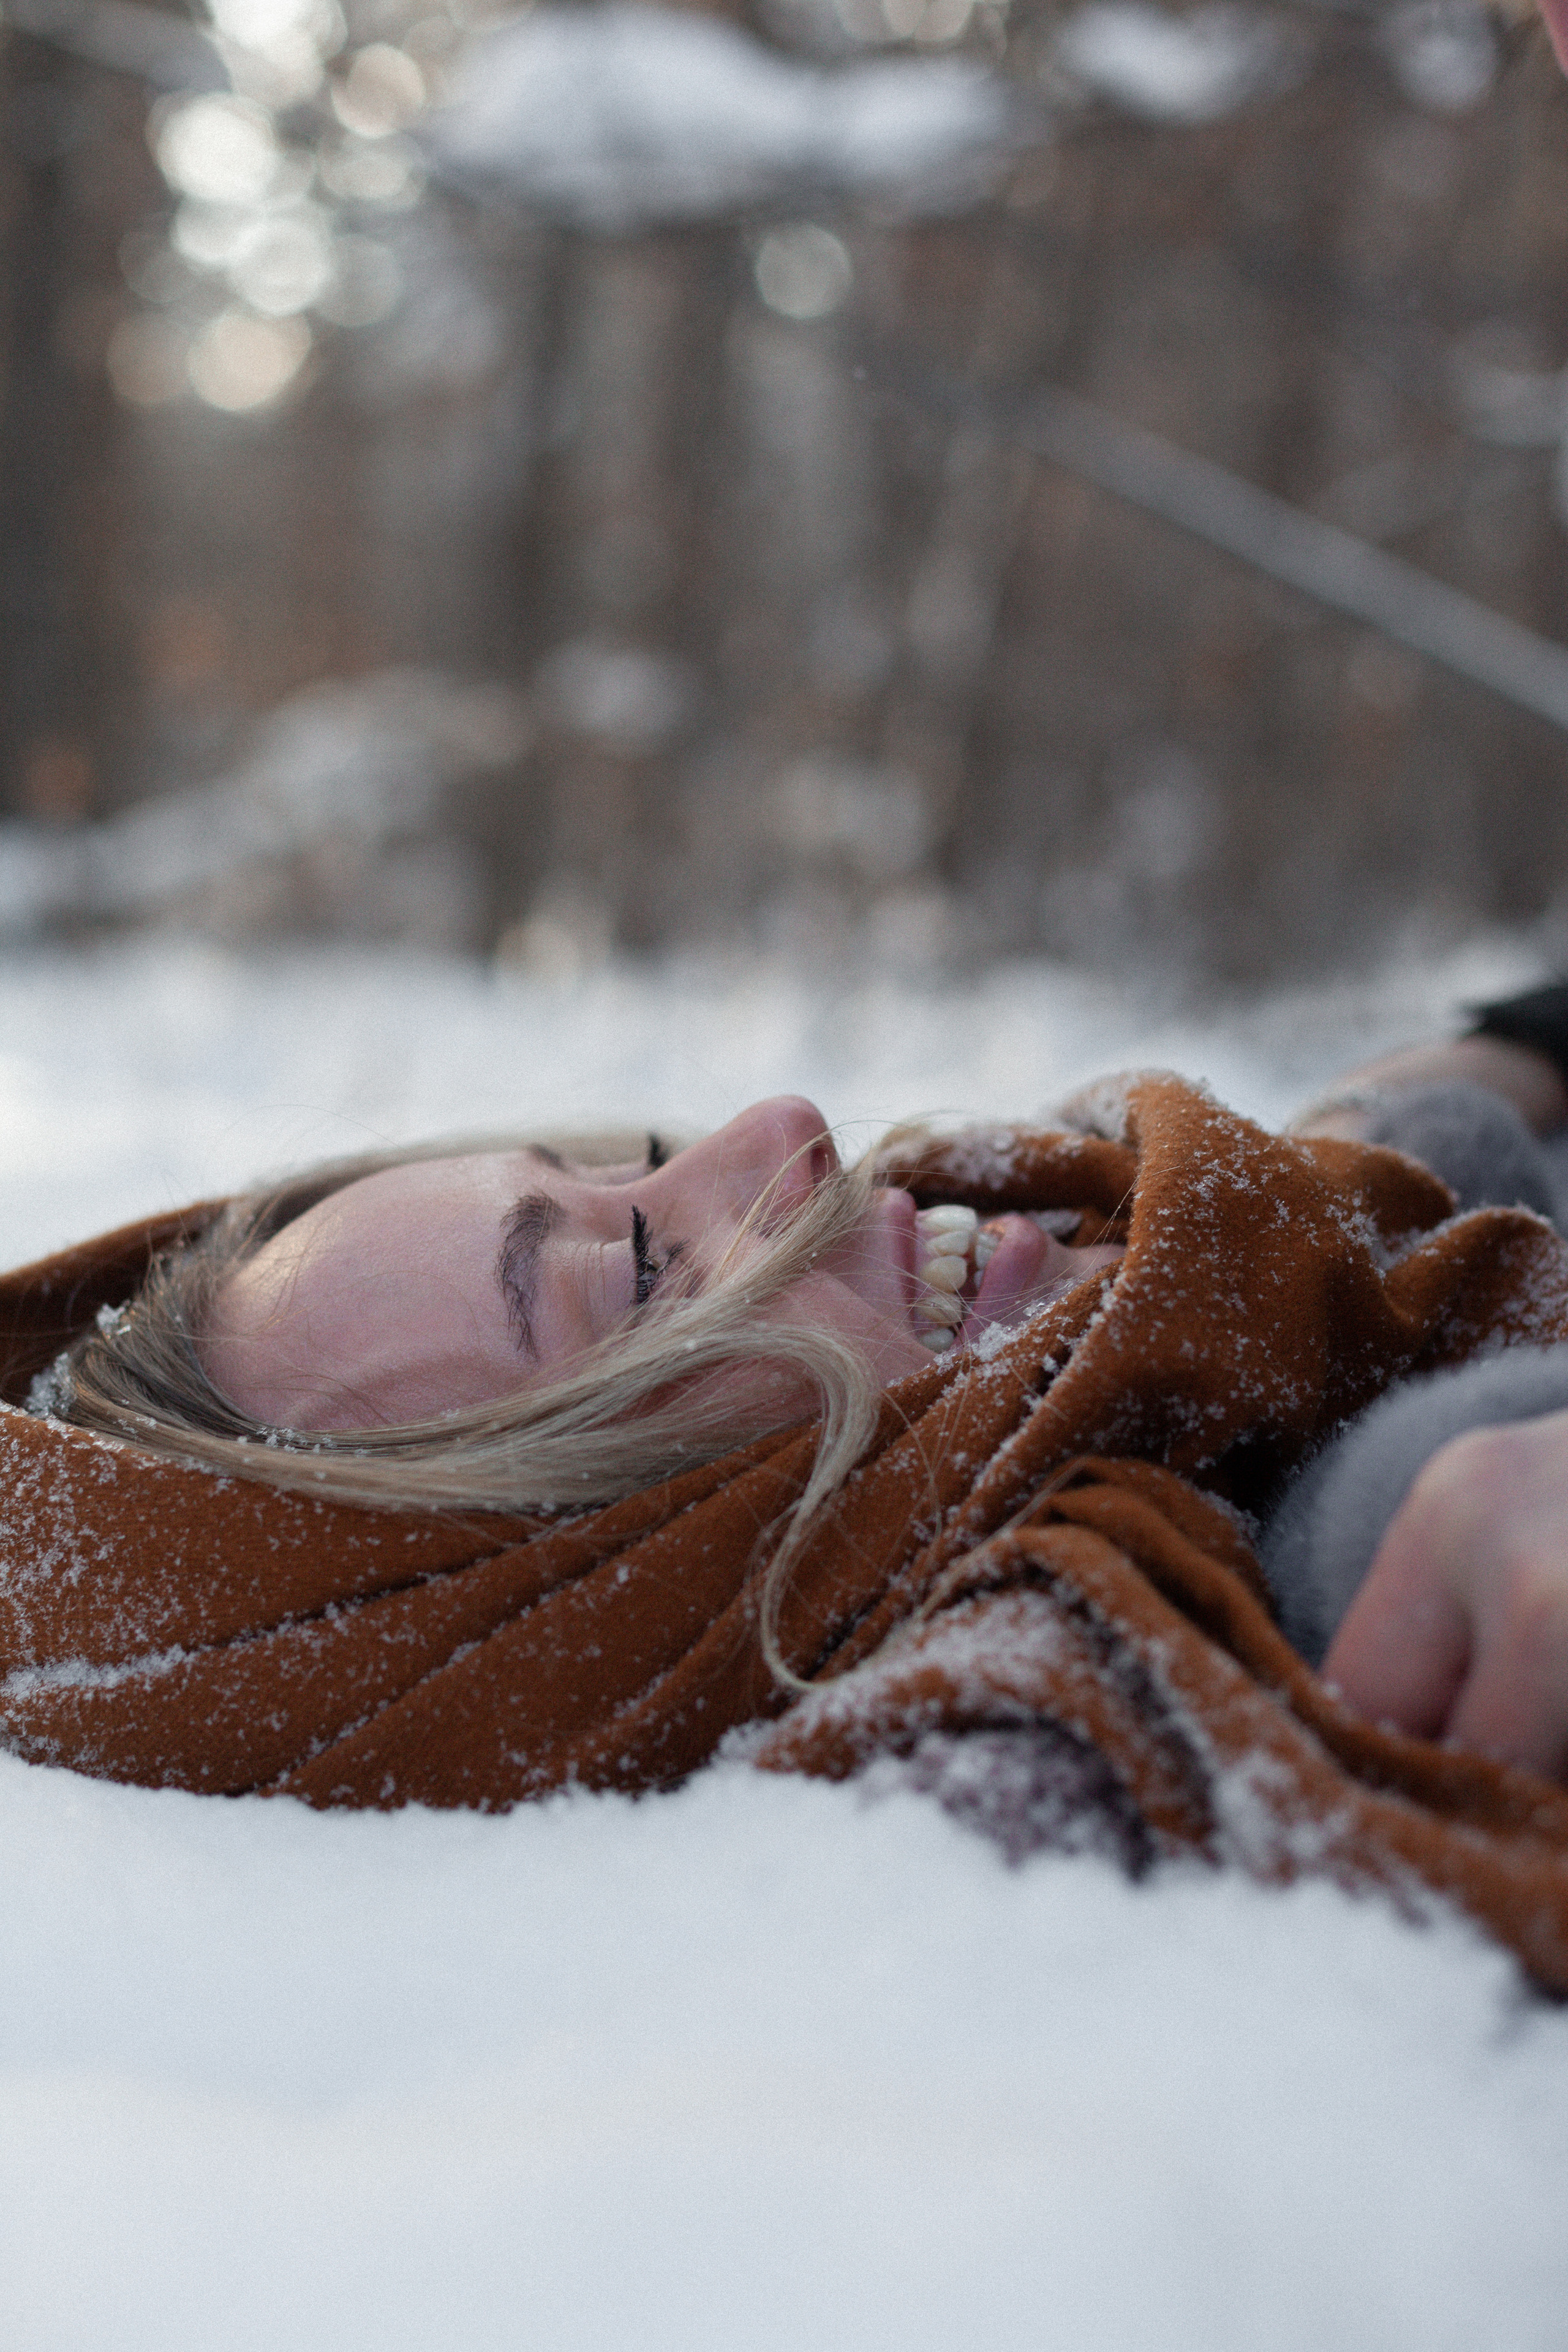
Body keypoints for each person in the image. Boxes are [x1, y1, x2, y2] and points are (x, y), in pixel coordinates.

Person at [26, 1011, 1568, 1788]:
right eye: (639, 1273)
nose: (782, 1131)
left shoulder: (1249, 1267)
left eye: (625, 1168)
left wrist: (1488, 1060)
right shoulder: (1399, 1536)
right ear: (629, 1590)